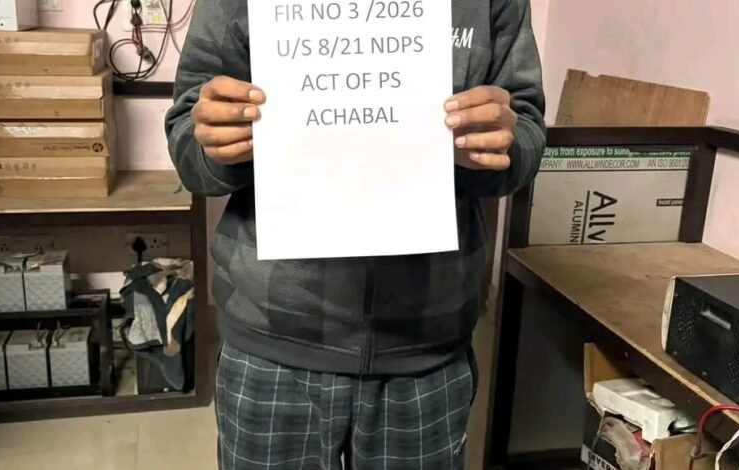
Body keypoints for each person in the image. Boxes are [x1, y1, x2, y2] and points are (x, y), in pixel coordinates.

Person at [165, 0, 545, 468]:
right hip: (273, 339)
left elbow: (526, 126)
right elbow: (188, 135)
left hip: (426, 346)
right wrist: (216, 147)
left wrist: (496, 148)